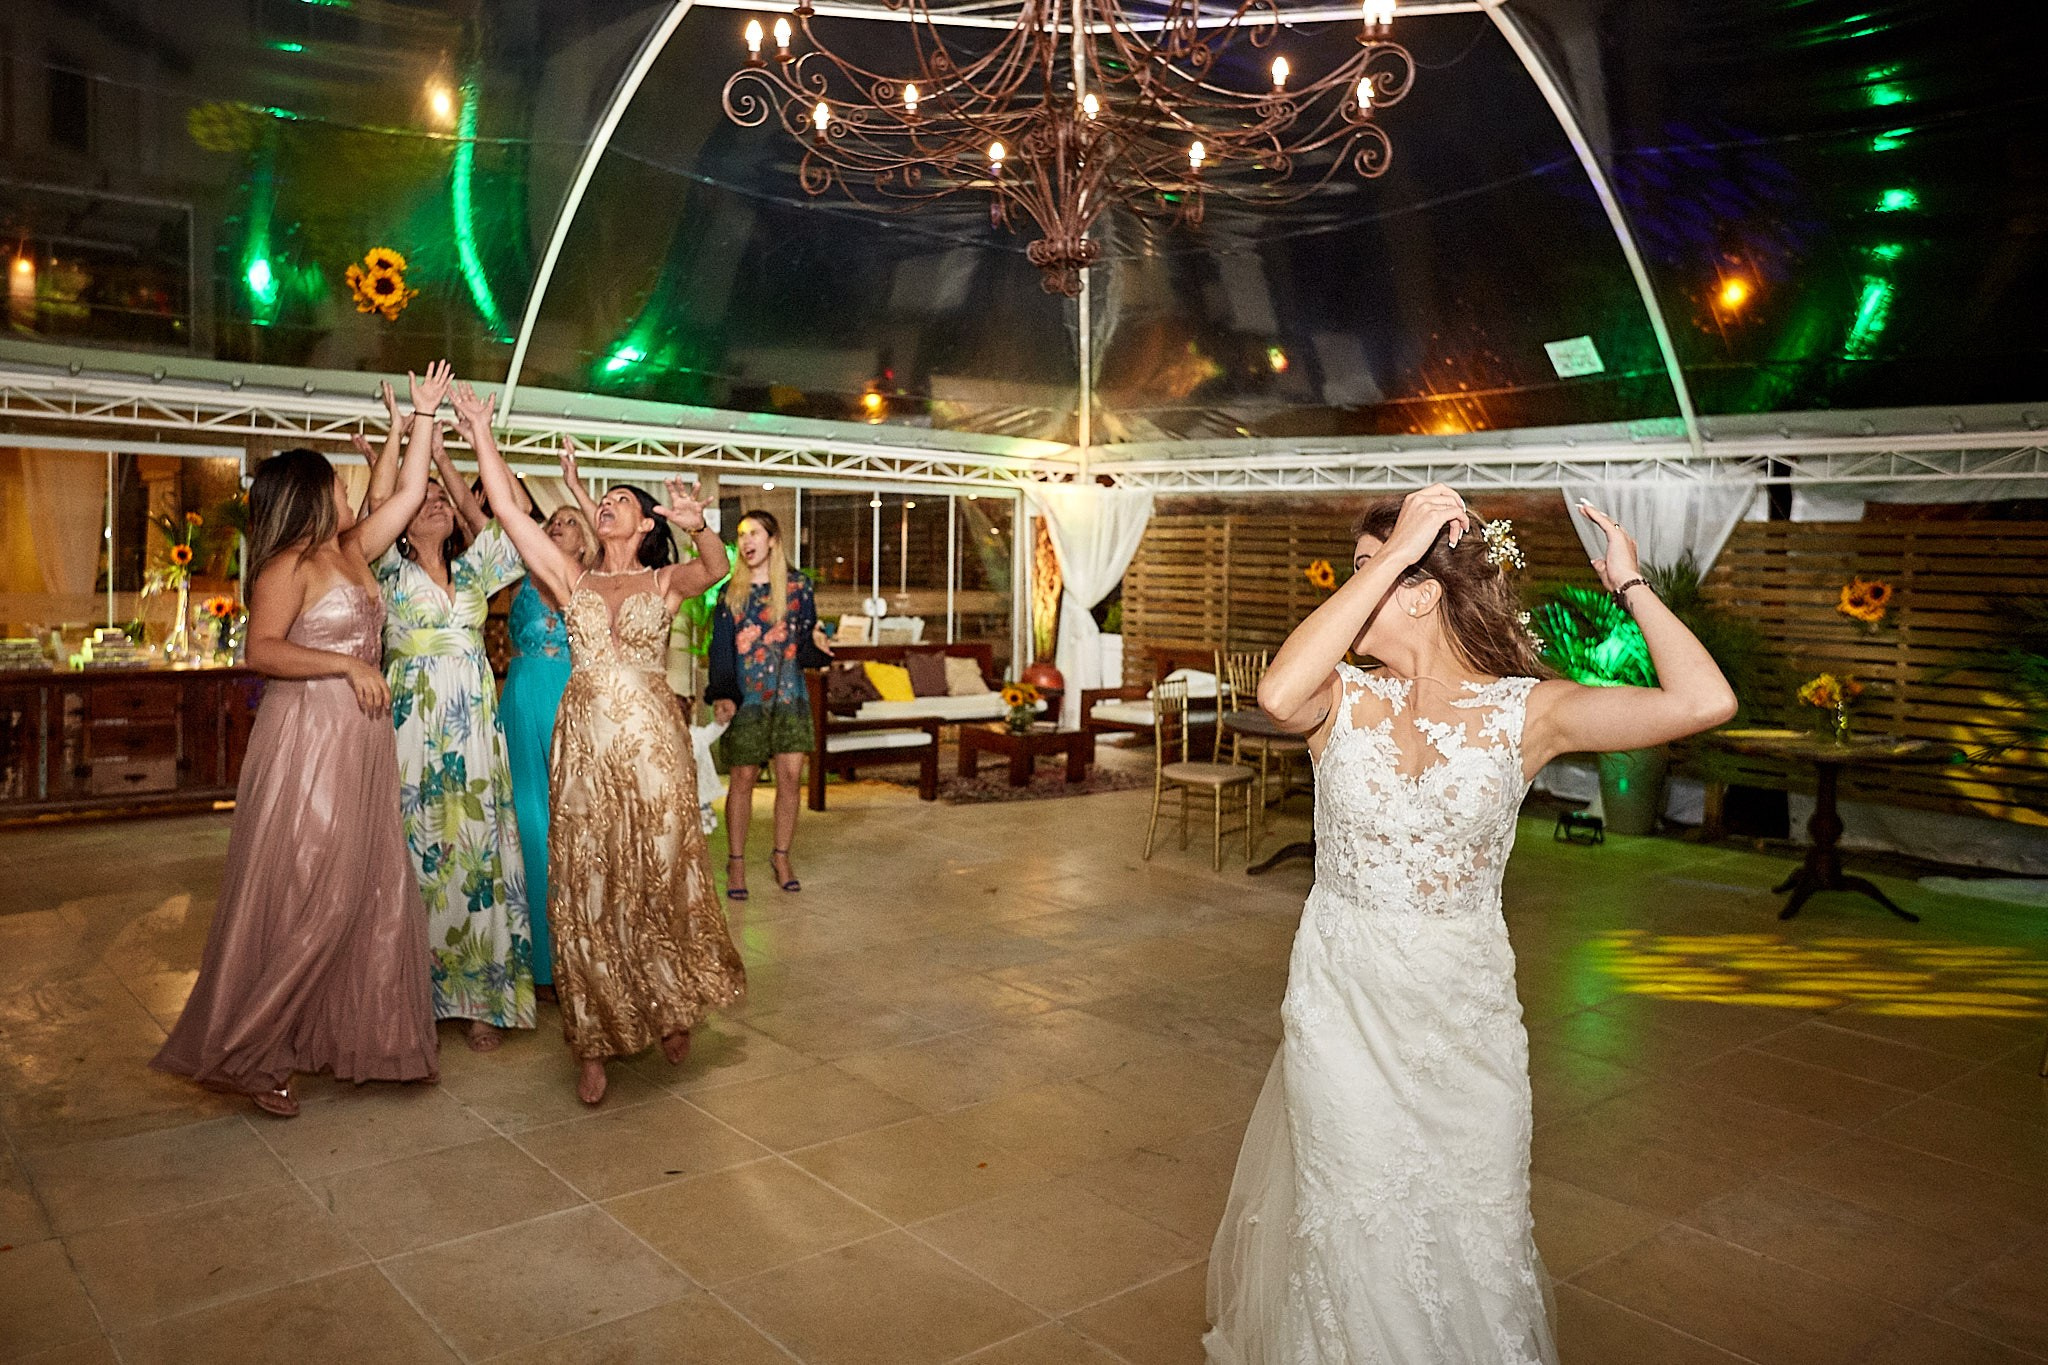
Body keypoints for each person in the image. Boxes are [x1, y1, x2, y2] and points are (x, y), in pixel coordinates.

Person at [1204, 486, 1736, 1364]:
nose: (1348, 589)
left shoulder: (1528, 712)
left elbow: (1703, 700)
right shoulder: (1339, 699)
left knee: (1471, 1215)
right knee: (1355, 1215)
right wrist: (1399, 545)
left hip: (1464, 1015)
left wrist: (1631, 587)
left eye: (1365, 571)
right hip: (1345, 1001)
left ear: (1419, 591)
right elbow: (1276, 690)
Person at [152, 363, 452, 1117]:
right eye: (340, 485)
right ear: (312, 494)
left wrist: (421, 419)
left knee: (372, 887)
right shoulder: (286, 565)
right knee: (317, 894)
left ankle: (373, 1037)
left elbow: (411, 494)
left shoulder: (353, 550)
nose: (354, 493)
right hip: (309, 743)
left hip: (360, 742)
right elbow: (262, 649)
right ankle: (248, 1051)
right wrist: (346, 663)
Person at [459, 382, 745, 1107]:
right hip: (584, 742)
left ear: (645, 521)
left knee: (659, 877)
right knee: (585, 884)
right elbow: (511, 515)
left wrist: (700, 522)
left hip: (653, 747)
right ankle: (592, 1040)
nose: (605, 502)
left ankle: (671, 1004)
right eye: (604, 497)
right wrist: (480, 435)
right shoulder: (570, 577)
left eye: (620, 497)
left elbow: (718, 569)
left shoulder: (665, 578)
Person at [367, 413, 533, 1051]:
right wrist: (401, 437)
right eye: (426, 496)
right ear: (402, 521)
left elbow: (511, 516)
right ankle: (415, 997)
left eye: (444, 497)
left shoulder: (474, 573)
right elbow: (378, 503)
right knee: (416, 857)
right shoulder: (383, 572)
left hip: (473, 736)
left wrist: (453, 450)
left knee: (475, 858)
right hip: (411, 730)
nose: (436, 501)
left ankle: (480, 999)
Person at [501, 443, 601, 1003]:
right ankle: (537, 962)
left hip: (570, 696)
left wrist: (578, 484)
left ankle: (580, 953)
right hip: (520, 697)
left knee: (575, 825)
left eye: (568, 521)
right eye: (553, 520)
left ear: (584, 539)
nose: (557, 525)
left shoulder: (593, 581)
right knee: (527, 824)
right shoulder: (521, 569)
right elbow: (494, 509)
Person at [706, 509, 828, 898]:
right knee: (742, 780)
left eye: (754, 533)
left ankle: (781, 855)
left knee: (790, 778)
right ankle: (736, 862)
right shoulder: (730, 592)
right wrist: (722, 693)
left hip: (789, 696)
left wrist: (821, 648)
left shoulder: (797, 587)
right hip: (747, 700)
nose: (747, 541)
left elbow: (806, 643)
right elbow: (720, 650)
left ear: (773, 539)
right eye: (742, 534)